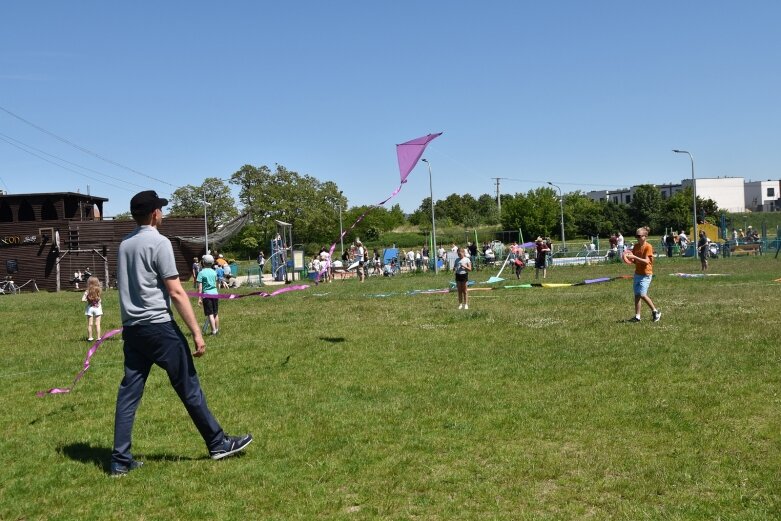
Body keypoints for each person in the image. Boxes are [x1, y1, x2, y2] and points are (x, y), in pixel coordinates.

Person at [111, 190, 251, 477]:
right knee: (188, 385)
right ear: (154, 214)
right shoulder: (159, 243)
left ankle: (120, 460)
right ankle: (218, 443)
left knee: (128, 395)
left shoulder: (124, 245)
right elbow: (176, 290)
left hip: (132, 330)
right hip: (160, 327)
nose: (163, 213)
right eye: (161, 209)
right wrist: (196, 332)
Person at [624, 226, 661, 322]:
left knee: (642, 294)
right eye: (636, 236)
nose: (637, 238)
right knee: (637, 295)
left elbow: (646, 261)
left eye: (639, 236)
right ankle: (637, 316)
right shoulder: (636, 246)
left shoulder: (648, 246)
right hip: (637, 273)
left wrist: (634, 257)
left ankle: (655, 311)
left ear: (645, 236)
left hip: (646, 274)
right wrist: (628, 258)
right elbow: (635, 261)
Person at [197, 255, 220, 335]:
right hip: (215, 294)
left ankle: (213, 331)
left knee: (210, 314)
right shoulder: (214, 272)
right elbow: (216, 283)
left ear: (203, 262)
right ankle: (217, 330)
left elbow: (200, 287)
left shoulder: (201, 273)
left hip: (207, 295)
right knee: (215, 313)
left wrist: (199, 298)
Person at [82, 275, 103, 341]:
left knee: (90, 324)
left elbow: (83, 299)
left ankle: (90, 337)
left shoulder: (87, 291)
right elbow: (100, 300)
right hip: (97, 308)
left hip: (90, 308)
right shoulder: (98, 290)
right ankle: (98, 338)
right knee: (97, 324)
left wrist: (88, 300)